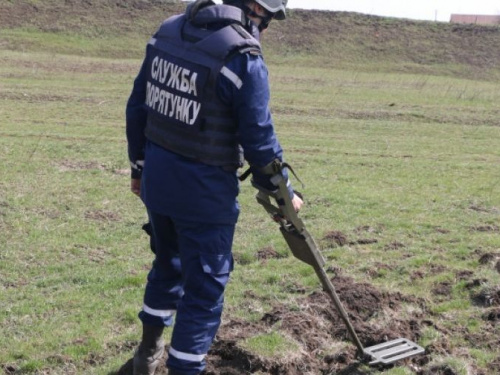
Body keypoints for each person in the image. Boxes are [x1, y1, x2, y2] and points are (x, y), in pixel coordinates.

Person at [125, 0, 302, 374]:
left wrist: (138, 167)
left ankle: (146, 356)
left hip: (158, 180)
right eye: (267, 20)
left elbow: (138, 105)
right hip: (203, 194)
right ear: (255, 9)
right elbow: (259, 140)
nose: (265, 29)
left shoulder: (169, 31)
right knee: (204, 291)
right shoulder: (242, 58)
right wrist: (281, 189)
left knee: (167, 265)